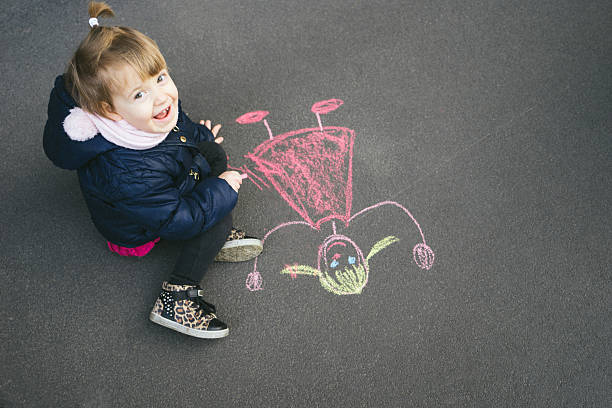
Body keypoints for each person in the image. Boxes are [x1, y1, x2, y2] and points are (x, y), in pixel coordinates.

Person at [43, 1, 262, 339]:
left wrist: (199, 137)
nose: (162, 96)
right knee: (218, 215)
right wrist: (221, 191)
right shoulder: (125, 170)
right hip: (139, 229)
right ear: (109, 110)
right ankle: (176, 296)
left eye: (160, 77)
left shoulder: (141, 113)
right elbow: (174, 220)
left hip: (156, 190)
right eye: (141, 92)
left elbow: (178, 124)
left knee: (213, 155)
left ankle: (212, 232)